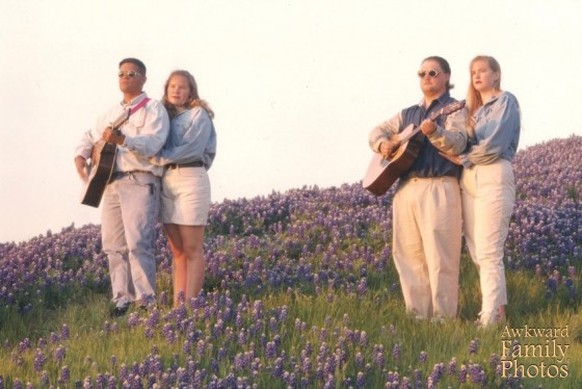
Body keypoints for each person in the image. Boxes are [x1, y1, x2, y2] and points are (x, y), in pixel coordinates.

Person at [368, 56, 467, 320]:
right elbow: (377, 130)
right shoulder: (408, 113)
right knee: (408, 255)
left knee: (440, 257)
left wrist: (435, 133)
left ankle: (443, 319)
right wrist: (382, 145)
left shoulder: (454, 108)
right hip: (406, 188)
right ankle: (417, 317)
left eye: (433, 72)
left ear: (446, 76)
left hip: (439, 187)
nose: (426, 77)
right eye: (421, 73)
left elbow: (458, 143)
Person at [74, 58, 170, 316]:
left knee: (138, 242)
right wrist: (80, 155)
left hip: (139, 179)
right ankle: (122, 299)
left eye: (132, 73)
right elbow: (89, 135)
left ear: (144, 79)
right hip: (110, 183)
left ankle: (146, 301)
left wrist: (125, 139)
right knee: (113, 245)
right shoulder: (108, 113)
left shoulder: (153, 109)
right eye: (121, 73)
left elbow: (154, 143)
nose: (125, 77)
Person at [439, 55, 521, 327]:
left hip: (493, 173)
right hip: (470, 179)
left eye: (483, 70)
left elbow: (493, 146)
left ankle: (488, 319)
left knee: (489, 251)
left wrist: (461, 158)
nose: (477, 75)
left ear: (496, 75)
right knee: (476, 250)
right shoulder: (471, 110)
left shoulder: (505, 101)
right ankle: (499, 312)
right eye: (473, 71)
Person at [151, 70, 217, 307]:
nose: (176, 91)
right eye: (172, 87)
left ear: (191, 91)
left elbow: (192, 148)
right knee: (177, 250)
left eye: (182, 87)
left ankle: (192, 306)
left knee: (192, 248)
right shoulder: (160, 116)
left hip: (190, 177)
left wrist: (157, 158)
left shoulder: (199, 114)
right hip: (166, 180)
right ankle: (179, 308)